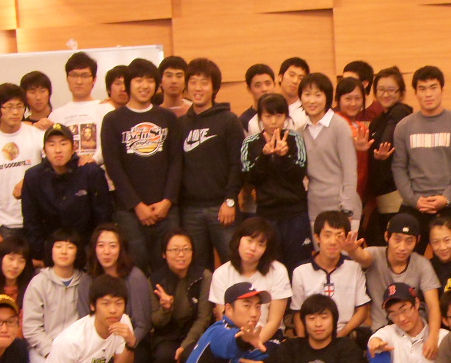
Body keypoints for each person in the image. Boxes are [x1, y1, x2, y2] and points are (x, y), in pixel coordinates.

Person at [101, 58, 179, 275]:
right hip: (129, 210)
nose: (145, 86)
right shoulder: (113, 120)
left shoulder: (167, 117)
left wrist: (167, 201)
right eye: (138, 80)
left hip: (166, 208)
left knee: (170, 266)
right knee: (135, 267)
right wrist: (137, 205)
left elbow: (176, 161)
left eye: (150, 80)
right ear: (128, 84)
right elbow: (113, 165)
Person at [168, 57, 244, 269]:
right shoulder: (181, 124)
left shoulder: (229, 120)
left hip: (222, 207)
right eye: (193, 82)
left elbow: (237, 164)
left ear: (214, 88)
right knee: (197, 270)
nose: (198, 88)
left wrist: (230, 200)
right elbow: (175, 166)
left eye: (204, 83)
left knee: (234, 265)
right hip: (190, 211)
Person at [392, 65, 451, 250]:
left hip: (449, 205)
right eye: (422, 89)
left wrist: (446, 198)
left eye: (433, 87)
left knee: (450, 259)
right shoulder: (404, 127)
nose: (428, 94)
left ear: (442, 90)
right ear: (415, 93)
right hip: (414, 206)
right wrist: (414, 200)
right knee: (405, 258)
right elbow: (398, 168)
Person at [342, 213, 442, 357]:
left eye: (409, 241)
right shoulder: (375, 254)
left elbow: (433, 305)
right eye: (397, 239)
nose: (402, 247)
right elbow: (363, 257)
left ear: (418, 240)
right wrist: (352, 250)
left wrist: (433, 337)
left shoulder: (422, 264)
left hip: (414, 332)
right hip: (380, 333)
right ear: (387, 236)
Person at [32, 274, 137, 363]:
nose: (113, 310)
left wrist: (131, 344)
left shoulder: (123, 322)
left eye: (119, 303)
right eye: (105, 303)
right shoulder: (73, 339)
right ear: (93, 306)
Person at [22, 123, 111, 265]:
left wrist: (94, 251)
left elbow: (103, 216)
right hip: (51, 248)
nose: (58, 150)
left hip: (86, 246)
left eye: (63, 144)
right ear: (44, 150)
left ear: (73, 148)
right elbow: (31, 220)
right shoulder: (33, 176)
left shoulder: (90, 172)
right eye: (52, 145)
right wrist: (42, 254)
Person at [240, 92, 310, 271]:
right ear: (260, 118)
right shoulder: (250, 143)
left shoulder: (295, 138)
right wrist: (264, 155)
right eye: (268, 116)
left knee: (299, 265)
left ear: (286, 117)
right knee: (270, 266)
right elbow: (249, 177)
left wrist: (284, 156)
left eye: (279, 116)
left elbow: (300, 173)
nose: (273, 122)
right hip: (266, 215)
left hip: (295, 213)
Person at [0, 83, 42, 248]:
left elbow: (50, 170)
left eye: (19, 106)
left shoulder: (38, 136)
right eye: (9, 107)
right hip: (5, 223)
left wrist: (27, 181)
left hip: (39, 218)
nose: (16, 112)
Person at [77, 223, 153, 363]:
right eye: (101, 246)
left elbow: (142, 325)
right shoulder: (86, 280)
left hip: (131, 344)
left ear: (121, 249)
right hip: (96, 346)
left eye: (112, 246)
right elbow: (84, 319)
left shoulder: (135, 277)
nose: (106, 252)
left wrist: (124, 346)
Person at [210, 217, 291, 345]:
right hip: (232, 337)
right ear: (238, 240)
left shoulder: (278, 271)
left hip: (268, 337)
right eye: (249, 240)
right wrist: (241, 345)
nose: (253, 248)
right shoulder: (221, 274)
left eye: (260, 244)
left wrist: (254, 343)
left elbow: (274, 321)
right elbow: (223, 318)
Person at [290, 210, 371, 340]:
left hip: (345, 335)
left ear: (346, 239)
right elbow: (297, 312)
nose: (333, 241)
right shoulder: (300, 271)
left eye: (339, 236)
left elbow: (362, 310)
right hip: (312, 337)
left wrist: (340, 336)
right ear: (317, 237)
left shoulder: (354, 267)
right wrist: (303, 341)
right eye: (327, 235)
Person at [299, 72, 361, 230]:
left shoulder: (339, 126)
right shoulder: (300, 131)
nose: (312, 100)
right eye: (307, 94)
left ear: (327, 97)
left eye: (318, 95)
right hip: (315, 207)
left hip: (342, 207)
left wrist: (347, 207)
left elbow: (350, 170)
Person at [150, 228, 212, 363]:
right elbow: (156, 322)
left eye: (186, 249)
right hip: (167, 335)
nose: (181, 254)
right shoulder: (156, 279)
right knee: (164, 356)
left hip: (195, 334)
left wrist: (184, 346)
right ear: (164, 254)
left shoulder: (204, 276)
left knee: (189, 354)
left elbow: (203, 318)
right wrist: (166, 309)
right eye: (174, 250)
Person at [22, 230, 85, 363]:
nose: (64, 251)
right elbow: (31, 327)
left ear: (77, 253)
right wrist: (51, 351)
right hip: (44, 351)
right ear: (51, 250)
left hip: (78, 352)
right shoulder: (38, 282)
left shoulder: (85, 282)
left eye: (70, 247)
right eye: (58, 246)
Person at [366, 66, 414, 241]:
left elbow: (390, 134)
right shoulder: (378, 120)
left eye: (391, 90)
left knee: (394, 242)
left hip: (395, 194)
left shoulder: (401, 111)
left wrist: (382, 149)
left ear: (401, 93)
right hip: (382, 195)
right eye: (381, 89)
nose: (386, 94)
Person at [50, 51, 106, 166]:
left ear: (94, 79)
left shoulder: (105, 109)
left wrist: (94, 159)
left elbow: (111, 145)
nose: (79, 81)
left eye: (84, 76)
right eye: (74, 75)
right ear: (67, 78)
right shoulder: (56, 115)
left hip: (97, 174)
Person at [334, 77, 372, 205]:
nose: (353, 103)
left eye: (357, 98)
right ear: (338, 100)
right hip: (339, 194)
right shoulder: (334, 125)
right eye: (348, 98)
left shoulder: (362, 127)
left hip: (360, 191)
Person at [240, 63, 277, 136]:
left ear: (274, 84)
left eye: (268, 84)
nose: (264, 89)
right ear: (249, 89)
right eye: (258, 85)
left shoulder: (283, 114)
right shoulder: (244, 120)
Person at [278, 56, 309, 129]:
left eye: (301, 78)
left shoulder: (307, 111)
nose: (295, 81)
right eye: (291, 75)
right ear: (280, 77)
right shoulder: (268, 106)